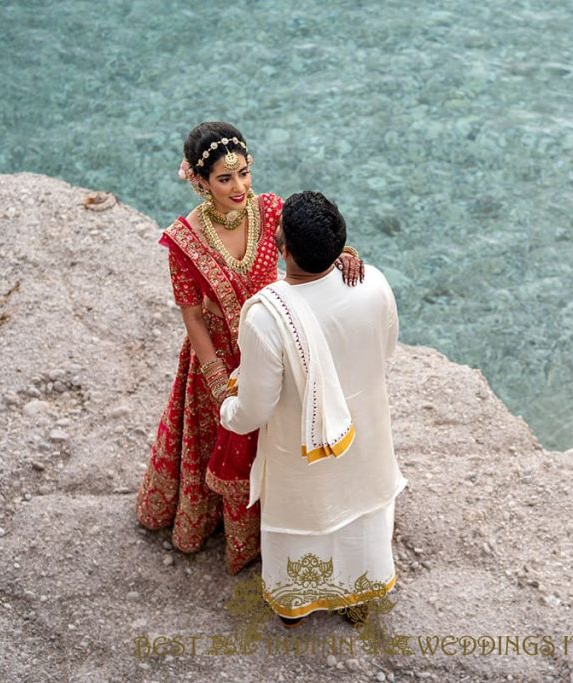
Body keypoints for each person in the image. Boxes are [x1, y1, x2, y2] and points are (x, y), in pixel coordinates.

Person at [136, 123, 363, 575]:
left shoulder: (271, 210)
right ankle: (227, 531)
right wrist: (218, 379)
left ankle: (282, 531)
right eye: (224, 179)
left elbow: (303, 249)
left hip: (276, 343)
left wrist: (337, 253)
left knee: (277, 444)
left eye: (243, 173)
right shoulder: (183, 240)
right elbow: (193, 316)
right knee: (230, 441)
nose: (239, 187)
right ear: (199, 182)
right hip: (217, 355)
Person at [220, 191, 407, 626]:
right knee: (359, 512)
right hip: (365, 432)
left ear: (283, 250)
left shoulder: (268, 317)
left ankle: (296, 605)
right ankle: (356, 596)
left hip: (302, 448)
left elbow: (254, 410)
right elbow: (387, 349)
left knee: (303, 522)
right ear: (340, 245)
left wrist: (226, 404)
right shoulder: (374, 282)